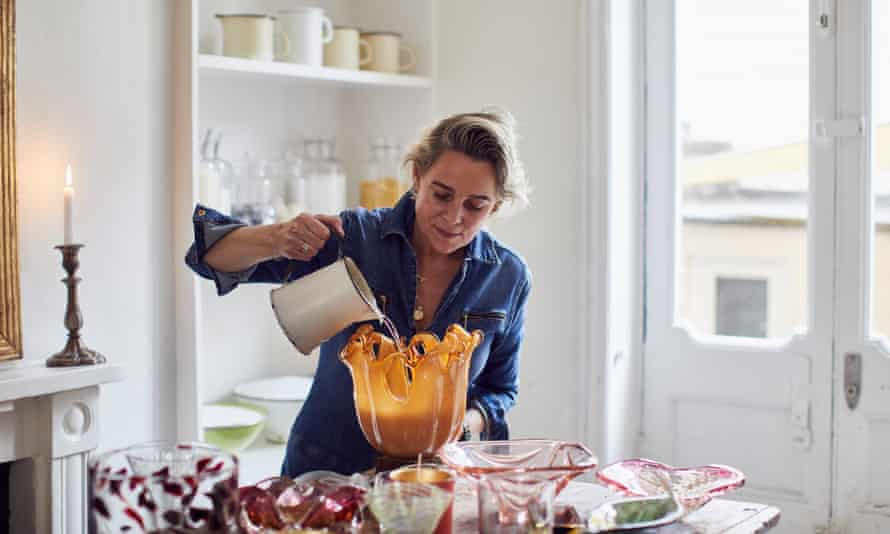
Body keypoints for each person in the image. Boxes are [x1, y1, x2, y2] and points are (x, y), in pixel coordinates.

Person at [185, 110, 532, 476]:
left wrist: (454, 427)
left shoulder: (507, 276)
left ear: (495, 205)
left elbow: (499, 390)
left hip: (432, 480)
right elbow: (206, 257)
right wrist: (276, 237)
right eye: (441, 195)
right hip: (326, 476)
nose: (454, 217)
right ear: (417, 177)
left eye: (475, 205)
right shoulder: (354, 237)